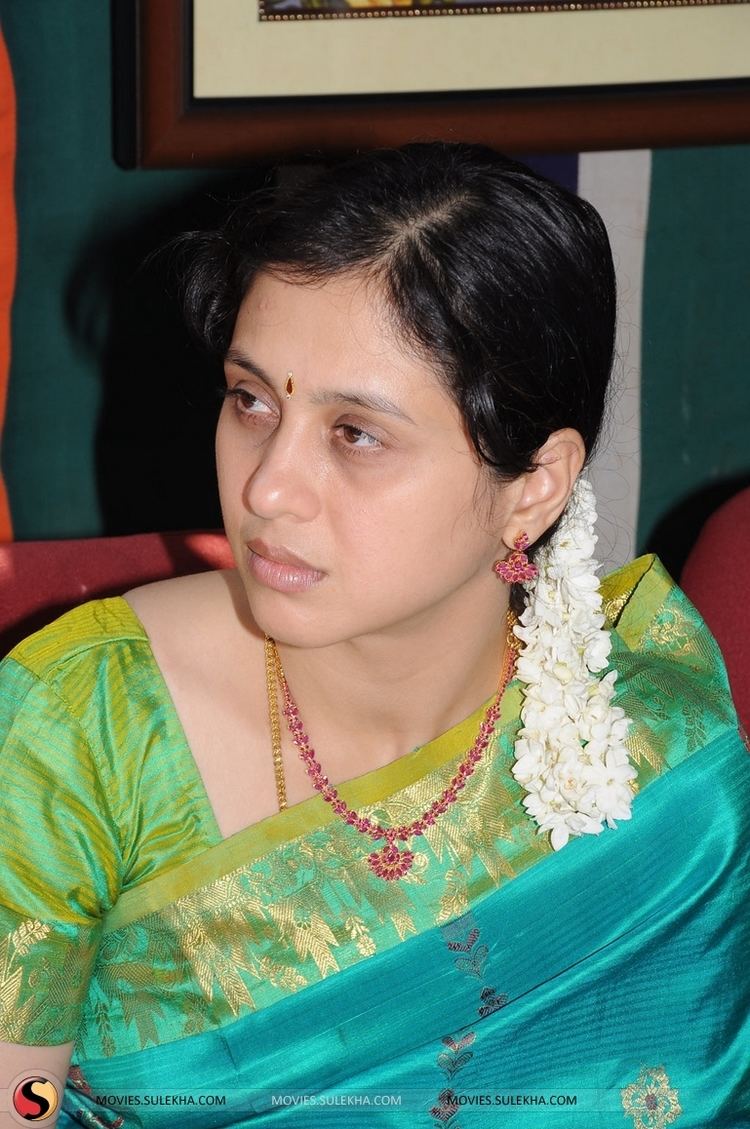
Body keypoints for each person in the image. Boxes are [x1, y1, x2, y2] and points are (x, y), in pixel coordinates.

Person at [0, 143, 747, 1128]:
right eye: (251, 399)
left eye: (356, 433)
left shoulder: (656, 751)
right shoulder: (85, 729)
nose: (266, 486)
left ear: (534, 488)